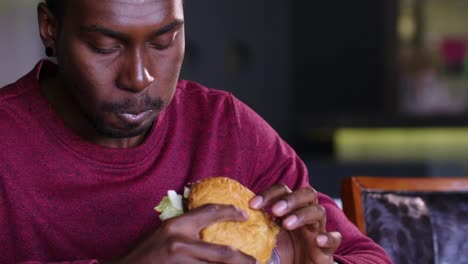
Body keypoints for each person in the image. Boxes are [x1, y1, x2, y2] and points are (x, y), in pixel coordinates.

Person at [0, 0, 392, 263]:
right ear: (50, 28)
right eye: (105, 46)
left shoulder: (225, 127)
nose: (140, 77)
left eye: (164, 40)